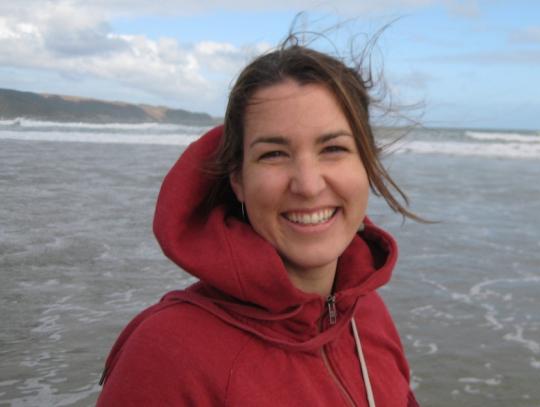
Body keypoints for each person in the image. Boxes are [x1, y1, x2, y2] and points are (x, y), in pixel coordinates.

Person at [97, 33, 421, 406]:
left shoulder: (368, 316)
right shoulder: (166, 354)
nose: (308, 184)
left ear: (367, 162)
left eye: (333, 148)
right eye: (274, 154)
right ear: (238, 179)